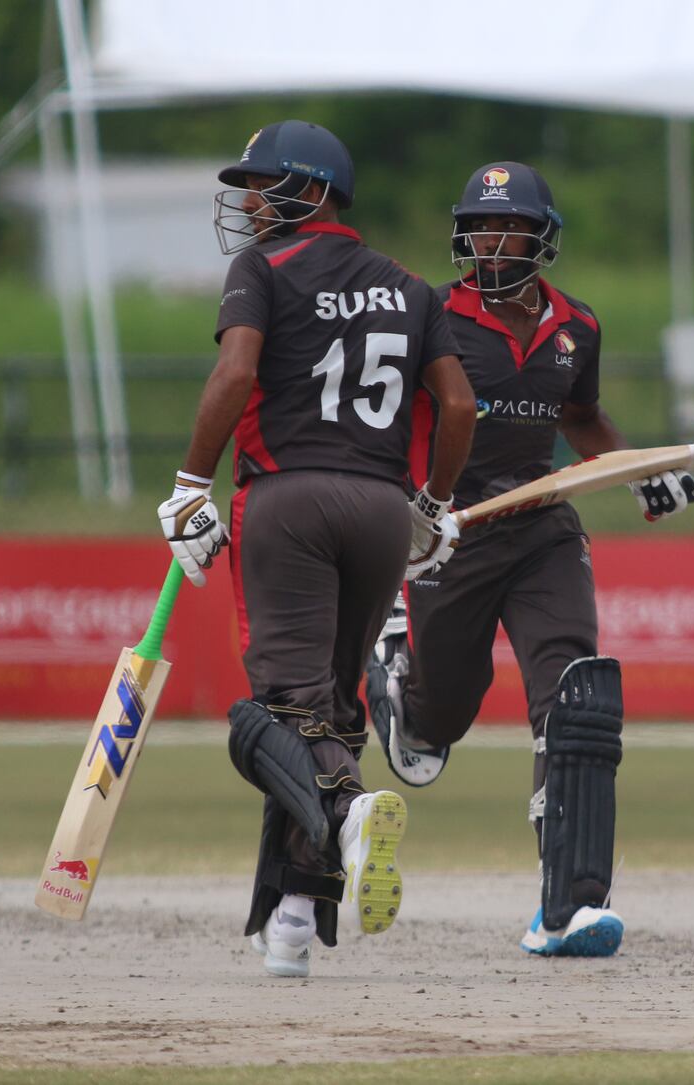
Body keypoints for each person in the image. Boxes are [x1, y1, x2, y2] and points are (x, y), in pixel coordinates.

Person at [157, 120, 476, 978]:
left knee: (270, 718)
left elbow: (233, 376)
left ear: (315, 188)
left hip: (287, 498)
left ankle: (344, 818)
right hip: (378, 508)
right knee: (328, 713)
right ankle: (293, 918)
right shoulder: (411, 286)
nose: (250, 202)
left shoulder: (261, 268)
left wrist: (191, 485)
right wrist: (432, 506)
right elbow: (457, 408)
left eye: (264, 184)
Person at [367, 160, 694, 958]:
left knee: (575, 693)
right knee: (438, 724)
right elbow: (378, 423)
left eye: (505, 226)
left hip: (544, 526)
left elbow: (581, 417)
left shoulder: (576, 326)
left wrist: (648, 472)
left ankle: (572, 904)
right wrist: (402, 517)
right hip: (450, 533)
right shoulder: (432, 316)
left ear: (541, 238)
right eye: (477, 226)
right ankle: (394, 672)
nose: (488, 241)